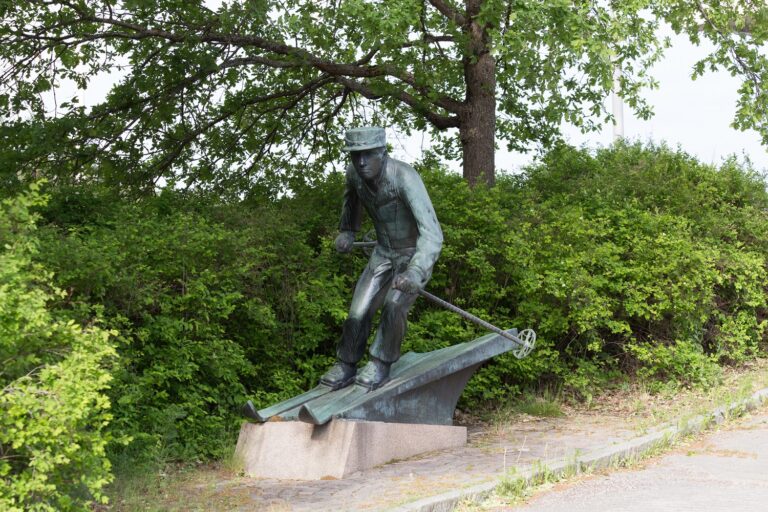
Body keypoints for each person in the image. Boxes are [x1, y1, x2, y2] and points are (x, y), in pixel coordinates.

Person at [320, 127, 443, 391]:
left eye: (368, 155)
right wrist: (347, 231)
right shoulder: (354, 175)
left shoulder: (404, 177)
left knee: (393, 306)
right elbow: (351, 203)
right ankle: (347, 363)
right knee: (357, 311)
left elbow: (432, 233)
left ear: (382, 153)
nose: (361, 162)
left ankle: (380, 363)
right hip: (382, 253)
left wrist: (416, 271)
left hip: (412, 255)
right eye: (355, 155)